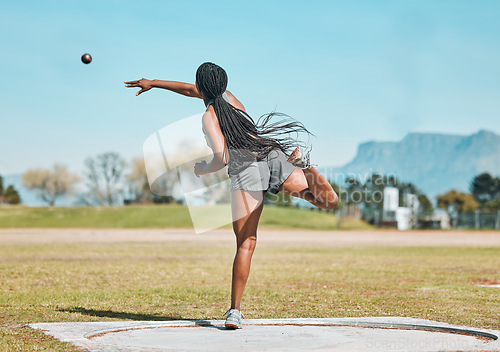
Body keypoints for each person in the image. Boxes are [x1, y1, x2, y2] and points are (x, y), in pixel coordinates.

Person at [125, 62, 338, 329]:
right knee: (325, 201)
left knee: (246, 243)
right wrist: (155, 82)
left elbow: (222, 158)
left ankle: (234, 312)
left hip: (246, 169)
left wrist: (203, 169)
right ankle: (306, 164)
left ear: (202, 87)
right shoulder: (231, 99)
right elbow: (192, 90)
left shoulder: (209, 116)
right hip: (270, 154)